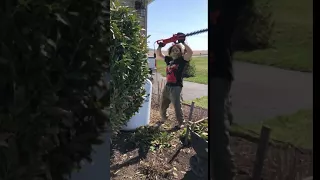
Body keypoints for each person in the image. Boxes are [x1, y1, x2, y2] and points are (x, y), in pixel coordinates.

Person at [209, 0, 247, 179]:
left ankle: (226, 174)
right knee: (218, 127)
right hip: (216, 72)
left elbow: (227, 29)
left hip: (218, 71)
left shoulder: (226, 7)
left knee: (217, 131)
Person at [156, 34, 193, 129]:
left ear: (180, 52)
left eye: (177, 49)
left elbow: (190, 53)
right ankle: (164, 118)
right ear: (170, 51)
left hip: (176, 86)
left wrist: (183, 42)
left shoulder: (182, 60)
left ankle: (181, 123)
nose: (175, 51)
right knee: (163, 104)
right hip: (167, 86)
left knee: (177, 106)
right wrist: (160, 46)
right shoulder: (168, 60)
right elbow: (159, 55)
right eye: (173, 49)